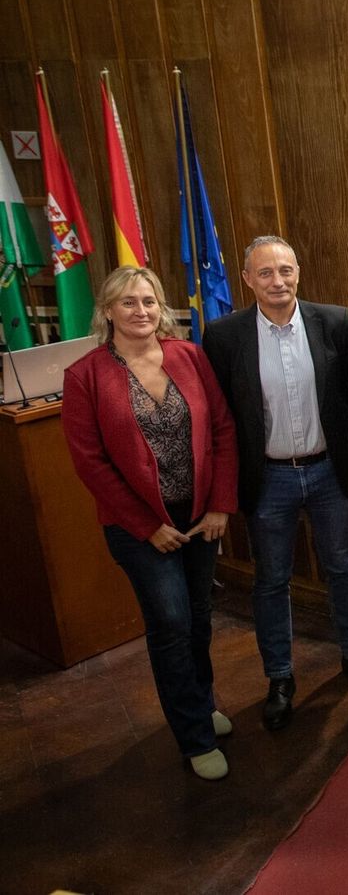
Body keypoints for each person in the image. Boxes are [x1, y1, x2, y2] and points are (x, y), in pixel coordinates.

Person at [204, 236, 348, 731]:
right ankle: (280, 678)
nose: (278, 281)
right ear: (247, 280)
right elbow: (222, 416)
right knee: (271, 581)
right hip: (270, 479)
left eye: (285, 270)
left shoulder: (333, 321)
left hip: (329, 469)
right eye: (265, 273)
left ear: (299, 272)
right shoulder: (223, 336)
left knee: (344, 568)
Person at [62, 267, 238, 780]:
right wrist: (146, 527)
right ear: (108, 311)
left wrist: (220, 505)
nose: (140, 312)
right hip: (140, 526)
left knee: (200, 616)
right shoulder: (85, 375)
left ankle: (202, 704)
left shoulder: (190, 356)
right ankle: (193, 735)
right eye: (128, 303)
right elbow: (90, 463)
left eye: (149, 302)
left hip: (200, 514)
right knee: (171, 623)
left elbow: (223, 429)